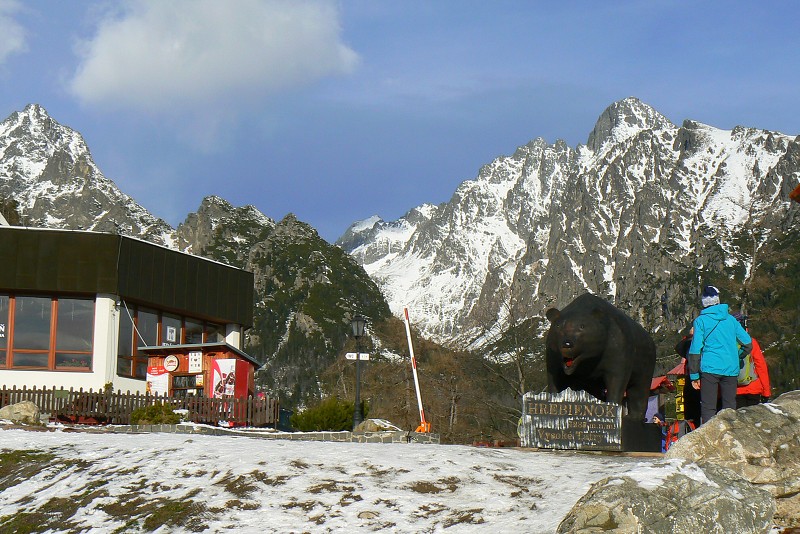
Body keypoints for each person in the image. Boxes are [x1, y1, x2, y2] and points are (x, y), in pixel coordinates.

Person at [687, 285, 752, 424]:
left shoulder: (700, 321)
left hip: (710, 369)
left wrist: (694, 375)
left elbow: (695, 349)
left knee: (708, 407)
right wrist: (738, 356)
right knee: (729, 407)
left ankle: (710, 439)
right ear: (718, 300)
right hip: (731, 368)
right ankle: (731, 436)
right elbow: (747, 343)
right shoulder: (731, 320)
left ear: (704, 302)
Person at [732, 313, 771, 408]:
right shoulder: (751, 342)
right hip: (754, 388)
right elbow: (760, 366)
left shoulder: (728, 344)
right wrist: (766, 392)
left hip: (735, 390)